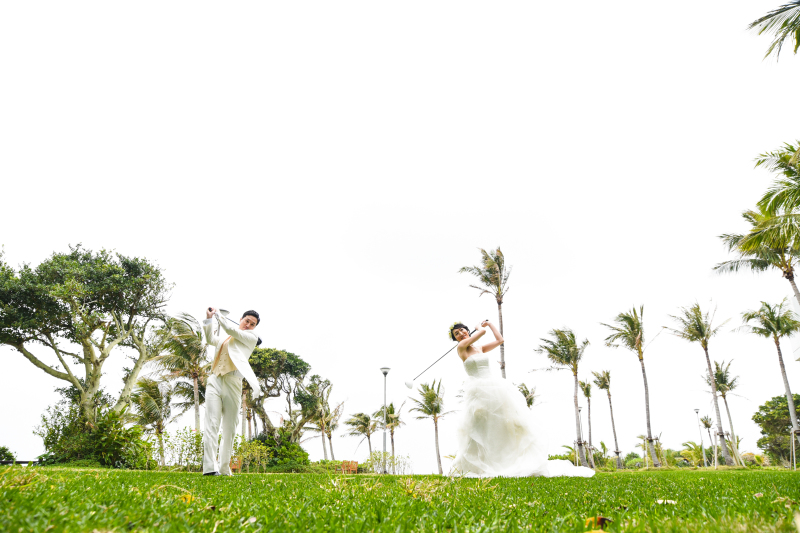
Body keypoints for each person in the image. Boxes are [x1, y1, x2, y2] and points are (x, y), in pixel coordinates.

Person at [449, 320, 594, 478]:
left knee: (501, 424)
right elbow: (481, 333)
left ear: (466, 331)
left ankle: (505, 460)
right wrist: (479, 328)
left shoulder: (480, 348)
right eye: (457, 334)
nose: (461, 334)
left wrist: (490, 325)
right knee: (480, 427)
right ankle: (480, 464)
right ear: (456, 339)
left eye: (462, 330)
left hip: (494, 388)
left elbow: (500, 340)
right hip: (478, 390)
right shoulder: (461, 347)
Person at [202, 307, 263, 476]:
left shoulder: (251, 337)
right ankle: (209, 468)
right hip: (214, 379)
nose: (248, 325)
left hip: (233, 382)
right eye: (246, 321)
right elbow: (209, 339)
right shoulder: (224, 339)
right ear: (241, 319)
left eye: (252, 324)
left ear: (254, 327)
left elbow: (230, 329)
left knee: (229, 427)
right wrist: (209, 319)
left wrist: (219, 315)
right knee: (211, 423)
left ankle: (223, 468)